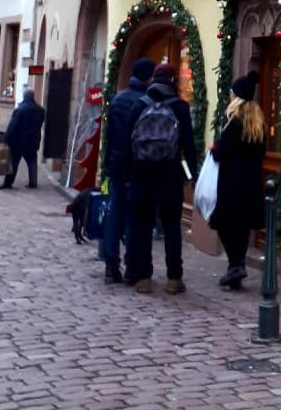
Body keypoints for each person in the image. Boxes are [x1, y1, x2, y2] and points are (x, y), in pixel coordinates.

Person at [125, 62, 197, 295]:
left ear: (153, 80)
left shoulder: (139, 105)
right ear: (173, 81)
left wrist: (127, 173)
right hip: (170, 174)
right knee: (171, 226)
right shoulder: (180, 108)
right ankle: (174, 278)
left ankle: (144, 278)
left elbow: (128, 142)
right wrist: (191, 175)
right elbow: (188, 146)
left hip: (142, 173)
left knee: (143, 225)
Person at [209, 70, 266, 290]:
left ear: (238, 97)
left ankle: (235, 265)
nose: (230, 97)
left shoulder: (234, 123)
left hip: (232, 180)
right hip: (250, 181)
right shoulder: (258, 121)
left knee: (224, 224)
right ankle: (238, 264)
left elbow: (223, 151)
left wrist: (214, 151)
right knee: (241, 225)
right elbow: (260, 153)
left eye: (232, 94)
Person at [101, 57, 155, 284]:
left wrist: (106, 165)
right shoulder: (146, 101)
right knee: (135, 217)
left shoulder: (118, 99)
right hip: (138, 166)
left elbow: (110, 134)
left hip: (117, 163)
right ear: (148, 77)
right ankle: (132, 266)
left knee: (115, 213)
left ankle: (111, 264)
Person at [0, 87, 46, 190]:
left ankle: (8, 183)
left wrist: (5, 138)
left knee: (14, 163)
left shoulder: (20, 110)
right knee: (32, 161)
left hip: (18, 142)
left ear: (24, 96)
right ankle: (33, 182)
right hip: (33, 140)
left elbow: (12, 126)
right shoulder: (41, 110)